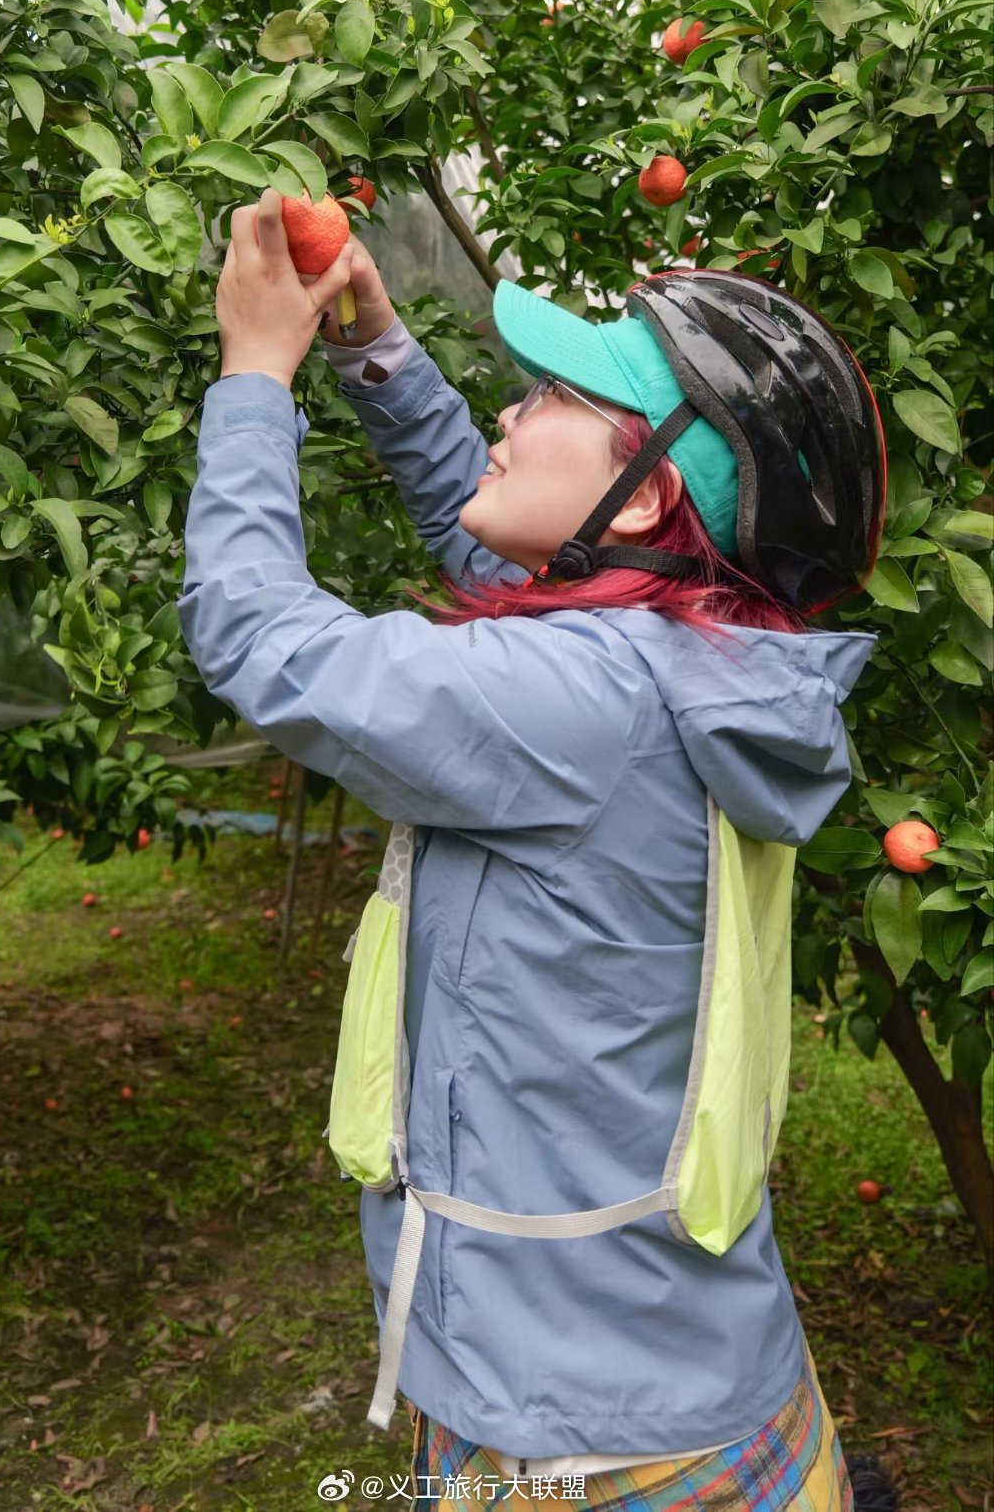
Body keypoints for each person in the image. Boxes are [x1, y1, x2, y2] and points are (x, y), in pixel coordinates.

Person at [180, 190, 897, 1512]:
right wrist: (375, 351)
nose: (509, 415)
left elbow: (259, 638)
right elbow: (498, 542)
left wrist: (254, 376)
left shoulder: (584, 702)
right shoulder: (691, 662)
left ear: (644, 499)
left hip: (587, 1449)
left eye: (551, 397)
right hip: (673, 1384)